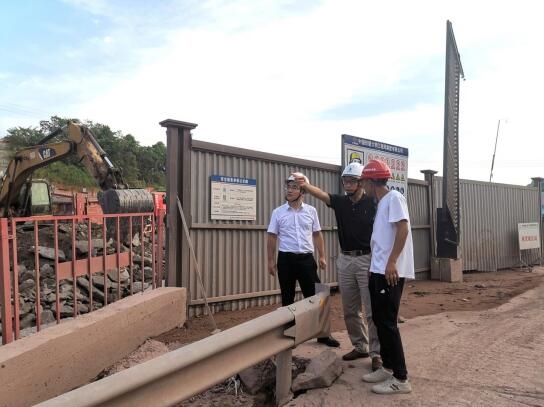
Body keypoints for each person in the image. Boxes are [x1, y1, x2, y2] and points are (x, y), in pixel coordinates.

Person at [293, 164, 382, 371]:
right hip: (345, 260)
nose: (347, 185)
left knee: (371, 309)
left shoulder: (373, 202)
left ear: (361, 183)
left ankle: (377, 354)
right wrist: (306, 185)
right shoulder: (341, 203)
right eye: (345, 181)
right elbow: (323, 195)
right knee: (350, 309)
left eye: (351, 181)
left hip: (367, 259)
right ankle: (360, 346)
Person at [359, 159, 414, 394]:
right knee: (380, 321)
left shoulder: (394, 198)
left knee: (388, 323)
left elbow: (403, 228)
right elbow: (382, 239)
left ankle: (401, 379)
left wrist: (391, 262)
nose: (362, 186)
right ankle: (388, 366)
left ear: (371, 182)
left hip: (390, 272)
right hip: (379, 270)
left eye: (363, 182)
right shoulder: (382, 203)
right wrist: (374, 267)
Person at [267, 174, 339, 347]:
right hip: (286, 260)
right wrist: (270, 261)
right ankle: (289, 337)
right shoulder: (278, 212)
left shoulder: (311, 211)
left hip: (306, 259)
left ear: (303, 191)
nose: (289, 190)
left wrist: (322, 256)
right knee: (287, 298)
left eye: (294, 187)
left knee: (318, 297)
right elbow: (272, 237)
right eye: (288, 186)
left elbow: (317, 234)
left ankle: (323, 335)